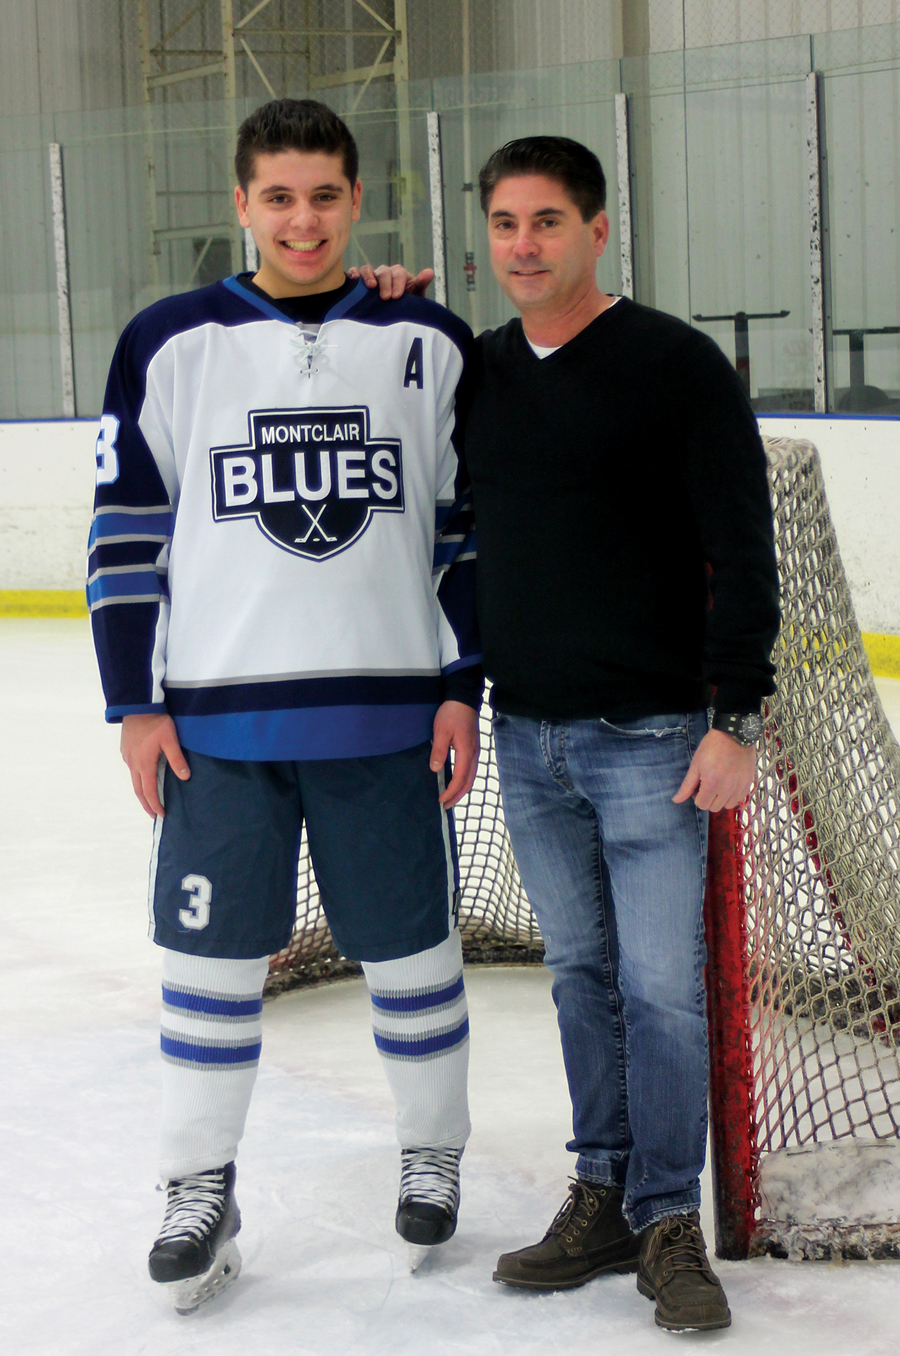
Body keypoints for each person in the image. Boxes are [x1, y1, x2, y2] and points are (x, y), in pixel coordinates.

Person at [358, 134, 779, 1334]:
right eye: (503, 224)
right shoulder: (477, 370)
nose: (523, 246)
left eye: (547, 222)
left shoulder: (676, 366)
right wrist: (383, 301)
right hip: (530, 737)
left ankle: (665, 1218)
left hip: (654, 739)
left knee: (662, 992)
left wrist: (736, 715)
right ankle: (600, 1192)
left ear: (598, 229)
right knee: (580, 977)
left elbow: (744, 553)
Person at [88, 98, 481, 1313]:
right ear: (243, 202)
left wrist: (462, 684)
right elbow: (123, 537)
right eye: (278, 196)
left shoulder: (428, 338)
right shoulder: (169, 340)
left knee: (412, 956)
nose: (302, 219)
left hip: (386, 721)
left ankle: (432, 1154)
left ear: (358, 200)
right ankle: (196, 1185)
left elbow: (465, 535)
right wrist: (132, 704)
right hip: (217, 731)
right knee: (207, 968)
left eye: (324, 195)